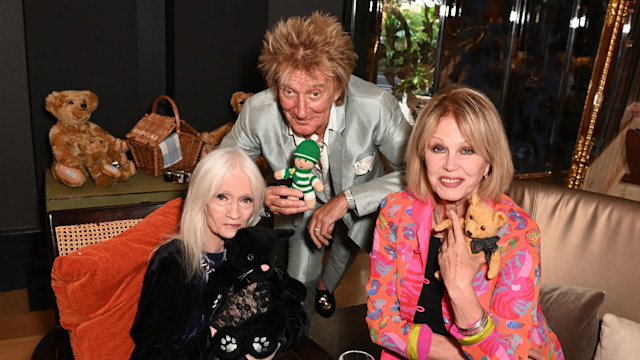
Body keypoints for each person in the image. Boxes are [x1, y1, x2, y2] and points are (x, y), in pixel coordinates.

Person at [220, 12, 412, 318]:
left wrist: (346, 201)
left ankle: (327, 286)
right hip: (300, 206)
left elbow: (419, 173)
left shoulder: (375, 107)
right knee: (297, 288)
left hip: (364, 200)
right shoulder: (257, 111)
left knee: (347, 248)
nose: (300, 110)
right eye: (288, 92)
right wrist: (259, 194)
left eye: (315, 93)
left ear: (338, 89)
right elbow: (218, 170)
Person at [366, 85, 564, 359]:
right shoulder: (396, 212)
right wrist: (457, 355)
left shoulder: (517, 232)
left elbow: (508, 355)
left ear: (489, 162)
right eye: (438, 148)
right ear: (423, 155)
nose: (450, 165)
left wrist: (461, 289)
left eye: (467, 150)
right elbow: (380, 321)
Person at [130, 148, 302, 359]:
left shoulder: (251, 250)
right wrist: (214, 338)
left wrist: (274, 343)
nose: (235, 213)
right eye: (222, 197)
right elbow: (150, 353)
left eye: (245, 200)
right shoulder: (173, 261)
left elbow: (295, 314)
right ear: (201, 199)